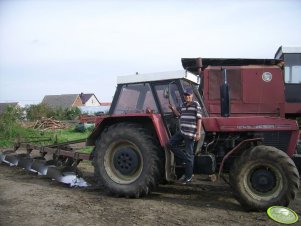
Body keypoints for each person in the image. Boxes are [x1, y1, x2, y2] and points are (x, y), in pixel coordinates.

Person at [168, 87, 203, 184]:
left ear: (192, 95)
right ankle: (186, 158)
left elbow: (199, 118)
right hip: (182, 131)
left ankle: (188, 178)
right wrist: (173, 109)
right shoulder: (183, 105)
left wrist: (198, 133)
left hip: (190, 133)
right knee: (170, 144)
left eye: (188, 95)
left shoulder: (196, 104)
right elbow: (179, 115)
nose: (187, 96)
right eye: (185, 95)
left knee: (189, 154)